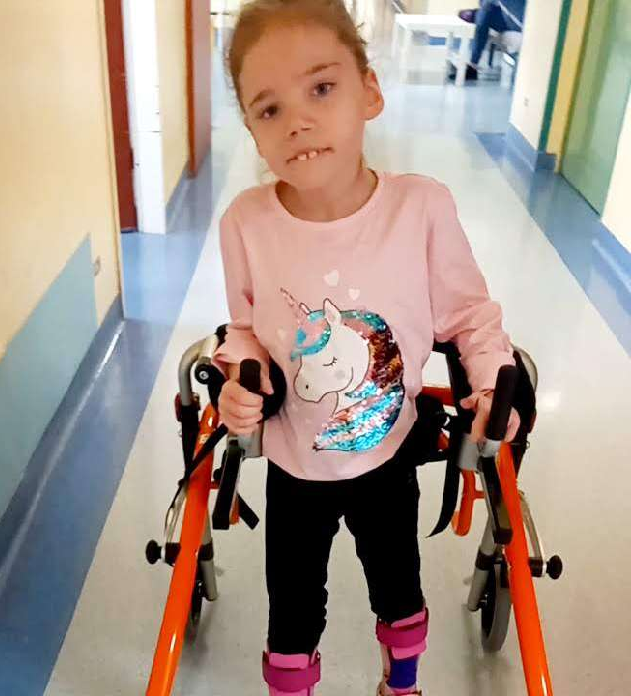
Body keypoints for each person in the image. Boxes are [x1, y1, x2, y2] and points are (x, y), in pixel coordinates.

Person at [212, 1, 520, 694]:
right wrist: (242, 380)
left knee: (399, 592)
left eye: (321, 88)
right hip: (294, 466)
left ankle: (401, 683)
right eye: (269, 109)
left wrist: (491, 384)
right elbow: (244, 329)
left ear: (370, 92)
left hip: (389, 455)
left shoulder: (421, 208)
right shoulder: (246, 223)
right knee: (292, 618)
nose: (297, 121)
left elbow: (471, 317)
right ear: (253, 133)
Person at [451, 0, 527, 81]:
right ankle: (473, 65)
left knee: (483, 14)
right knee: (483, 14)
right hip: (503, 17)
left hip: (520, 22)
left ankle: (473, 65)